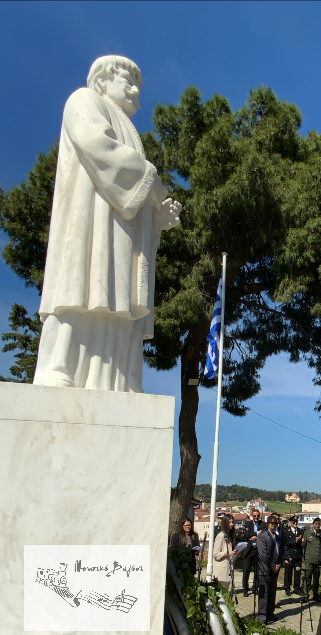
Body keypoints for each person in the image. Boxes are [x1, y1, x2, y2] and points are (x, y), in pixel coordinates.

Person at [33, 55, 182, 392]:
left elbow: (135, 196)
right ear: (102, 79)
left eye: (138, 85)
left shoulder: (130, 129)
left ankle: (120, 380)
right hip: (91, 222)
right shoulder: (83, 99)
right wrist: (152, 182)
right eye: (128, 81)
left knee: (122, 301)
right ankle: (60, 366)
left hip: (124, 234)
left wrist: (158, 218)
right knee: (81, 285)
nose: (135, 91)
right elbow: (97, 145)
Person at [256, 516, 284, 624]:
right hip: (265, 568)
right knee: (264, 593)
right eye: (271, 523)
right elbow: (263, 554)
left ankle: (270, 613)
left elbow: (279, 552)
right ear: (267, 524)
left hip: (275, 568)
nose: (273, 525)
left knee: (272, 592)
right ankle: (262, 616)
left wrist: (279, 564)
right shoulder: (262, 536)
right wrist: (272, 565)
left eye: (275, 523)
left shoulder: (277, 537)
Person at [241, 509, 266, 597]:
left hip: (258, 550)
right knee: (246, 570)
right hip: (249, 549)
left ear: (259, 516)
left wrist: (256, 537)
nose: (256, 517)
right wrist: (257, 533)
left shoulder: (263, 524)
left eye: (257, 516)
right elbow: (246, 534)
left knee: (257, 570)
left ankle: (255, 588)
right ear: (252, 515)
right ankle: (245, 589)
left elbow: (264, 535)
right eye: (254, 516)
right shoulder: (248, 523)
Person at [302, 518, 321, 602]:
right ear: (313, 524)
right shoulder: (307, 533)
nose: (317, 525)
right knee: (307, 577)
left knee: (316, 579)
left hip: (318, 559)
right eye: (316, 524)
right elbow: (303, 545)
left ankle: (315, 595)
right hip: (309, 559)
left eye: (319, 524)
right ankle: (305, 595)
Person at [212, 515, 237, 588]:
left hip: (228, 570)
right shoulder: (221, 536)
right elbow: (216, 554)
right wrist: (228, 553)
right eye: (229, 522)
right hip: (221, 571)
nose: (231, 524)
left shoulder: (229, 535)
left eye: (232, 522)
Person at [283, 515, 303, 595]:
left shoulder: (300, 531)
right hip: (290, 555)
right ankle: (287, 587)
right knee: (288, 572)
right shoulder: (286, 532)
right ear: (291, 523)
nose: (295, 524)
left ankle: (297, 588)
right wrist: (294, 541)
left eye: (296, 522)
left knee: (297, 572)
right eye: (294, 522)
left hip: (298, 555)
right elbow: (285, 543)